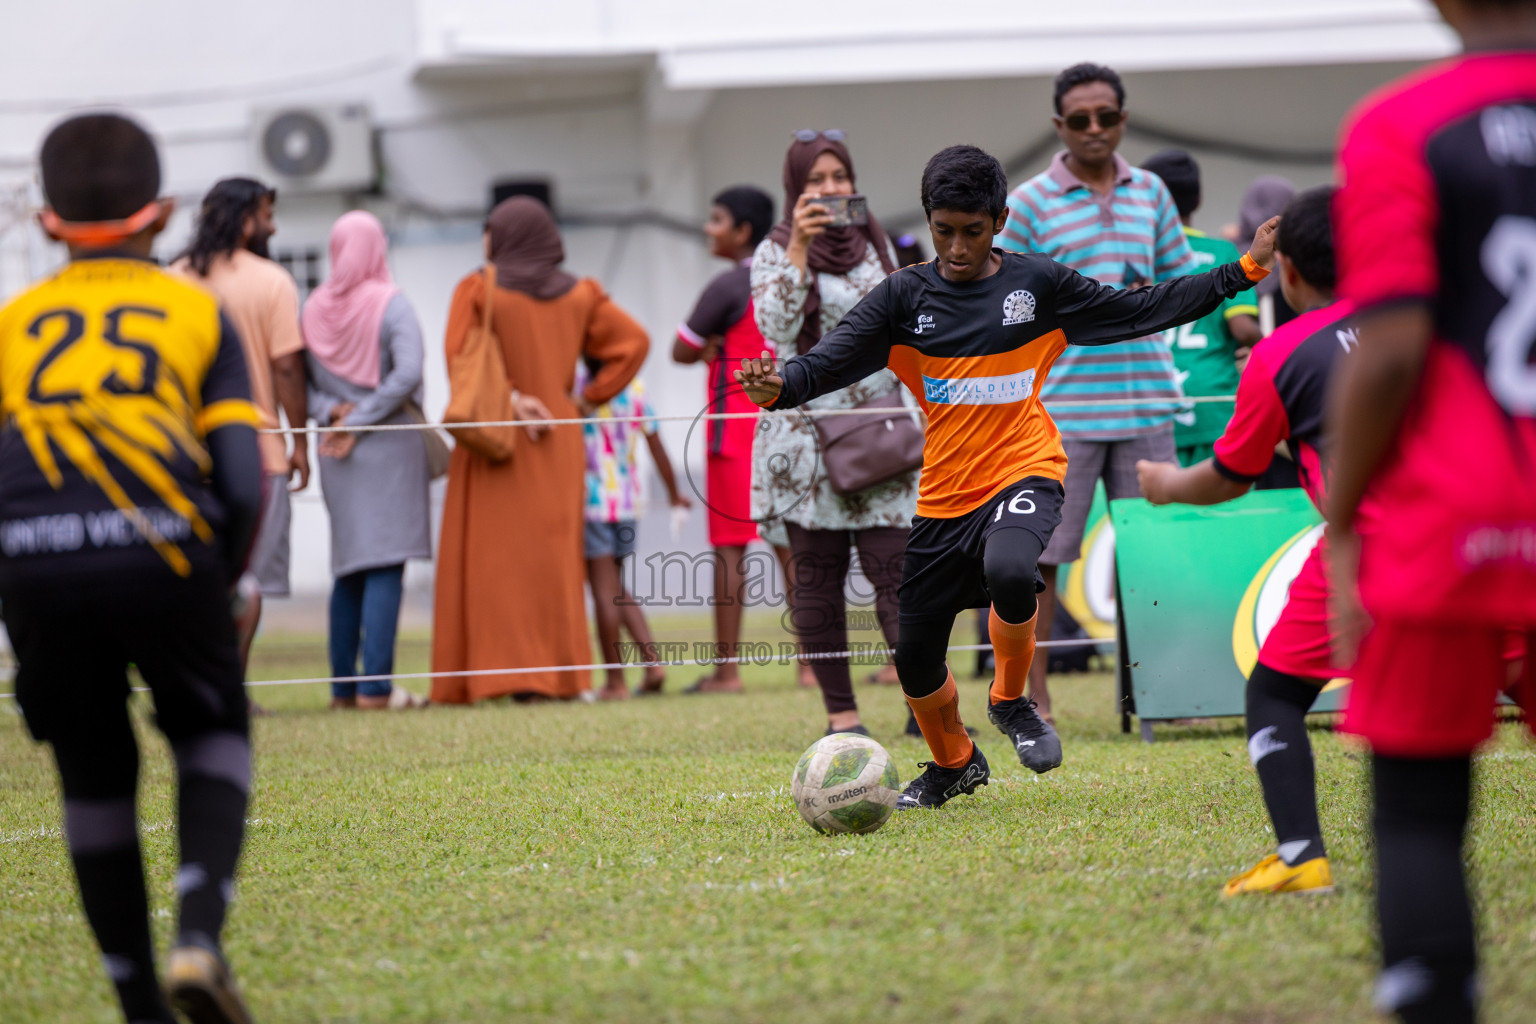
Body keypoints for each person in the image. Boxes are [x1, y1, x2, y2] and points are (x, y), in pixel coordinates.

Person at [737, 145, 1276, 808]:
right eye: (944, 231)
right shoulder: (904, 297)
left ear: (1001, 220)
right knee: (914, 656)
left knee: (1015, 568)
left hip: (1027, 469)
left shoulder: (1038, 285)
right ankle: (955, 762)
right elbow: (826, 363)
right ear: (930, 223)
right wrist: (777, 387)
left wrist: (1243, 269)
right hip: (942, 497)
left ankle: (1013, 701)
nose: (958, 248)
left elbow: (1142, 310)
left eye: (973, 230)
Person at [4, 113, 263, 1023]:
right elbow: (241, 477)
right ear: (163, 215)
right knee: (211, 731)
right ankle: (196, 939)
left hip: (33, 563)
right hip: (164, 550)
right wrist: (216, 580)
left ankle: (135, 1002)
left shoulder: (13, 324)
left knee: (92, 769)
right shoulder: (198, 313)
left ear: (46, 223)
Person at [1327, 3, 1536, 1019]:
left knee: (1418, 805)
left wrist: (1341, 519)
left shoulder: (1399, 124)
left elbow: (1394, 349)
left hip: (1456, 514)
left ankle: (1436, 991)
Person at [1136, 187, 1351, 898]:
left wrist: (1165, 484)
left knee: (1276, 693)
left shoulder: (1284, 351)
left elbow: (1231, 478)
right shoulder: (1433, 327)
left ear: (1286, 274)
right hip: (1490, 536)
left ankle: (1302, 856)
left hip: (1367, 550)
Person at [999, 63, 1198, 725]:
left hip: (1146, 406)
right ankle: (1037, 696)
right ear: (1059, 126)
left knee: (1155, 556)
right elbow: (1002, 299)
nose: (1093, 129)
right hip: (1062, 412)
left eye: (1105, 117)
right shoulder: (1027, 204)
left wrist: (1156, 298)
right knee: (1044, 560)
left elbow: (1182, 284)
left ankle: (1162, 694)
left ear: (1123, 119)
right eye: (1079, 119)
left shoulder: (1152, 195)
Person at [432, 196, 648, 703]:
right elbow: (634, 341)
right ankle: (555, 679)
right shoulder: (581, 295)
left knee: (492, 561)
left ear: (501, 236)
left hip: (497, 436)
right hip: (558, 435)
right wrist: (587, 398)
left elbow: (458, 359)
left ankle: (490, 676)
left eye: (489, 230)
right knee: (553, 562)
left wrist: (509, 396)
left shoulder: (479, 289)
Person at [748, 129, 918, 733]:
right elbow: (775, 325)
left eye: (839, 177)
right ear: (795, 189)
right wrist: (798, 246)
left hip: (878, 428)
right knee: (817, 579)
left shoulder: (874, 241)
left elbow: (903, 320)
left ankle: (922, 710)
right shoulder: (773, 249)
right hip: (804, 436)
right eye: (816, 181)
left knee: (900, 576)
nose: (830, 190)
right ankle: (842, 719)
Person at [172, 177, 308, 667]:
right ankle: (233, 684)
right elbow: (287, 366)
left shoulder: (173, 278)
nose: (272, 226)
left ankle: (195, 677)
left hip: (182, 453)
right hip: (257, 451)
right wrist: (299, 443)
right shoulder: (273, 280)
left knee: (188, 572)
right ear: (247, 219)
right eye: (267, 215)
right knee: (244, 576)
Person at [301, 211, 432, 710]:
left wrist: (332, 413)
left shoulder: (312, 309)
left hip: (336, 447)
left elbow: (297, 384)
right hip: (389, 444)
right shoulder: (391, 304)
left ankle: (343, 689)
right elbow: (409, 373)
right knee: (384, 565)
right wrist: (365, 416)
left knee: (350, 566)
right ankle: (376, 687)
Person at [673, 185, 775, 694]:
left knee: (730, 550)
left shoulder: (728, 285)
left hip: (732, 430)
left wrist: (711, 347)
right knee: (792, 546)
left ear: (742, 231)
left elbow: (680, 348)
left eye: (716, 220)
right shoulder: (787, 279)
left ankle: (728, 672)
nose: (709, 229)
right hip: (782, 425)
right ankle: (809, 666)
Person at [1138, 149, 1262, 467]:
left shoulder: (1138, 258)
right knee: (1222, 507)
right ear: (1198, 199)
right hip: (1213, 402)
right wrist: (1268, 351)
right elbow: (1243, 329)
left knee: (1161, 509)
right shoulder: (1222, 252)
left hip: (1151, 404)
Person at [575, 359, 689, 698]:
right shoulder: (633, 386)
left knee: (604, 592)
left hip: (591, 502)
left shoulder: (580, 386)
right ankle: (653, 664)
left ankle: (615, 682)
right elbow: (656, 446)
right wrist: (673, 493)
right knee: (616, 587)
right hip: (627, 502)